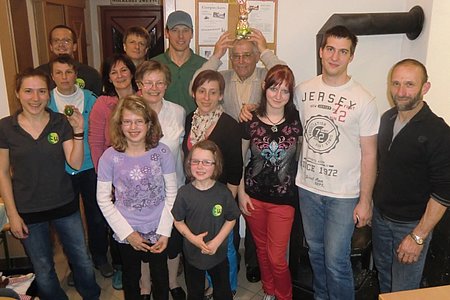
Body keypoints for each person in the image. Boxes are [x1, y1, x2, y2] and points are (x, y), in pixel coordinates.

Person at [192, 29, 285, 281]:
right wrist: (217, 55)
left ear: (256, 57)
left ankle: (254, 263)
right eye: (236, 56)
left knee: (255, 213)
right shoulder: (223, 77)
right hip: (228, 160)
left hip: (259, 161)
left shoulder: (266, 78)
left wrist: (266, 50)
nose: (241, 61)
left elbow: (284, 77)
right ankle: (227, 259)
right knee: (226, 214)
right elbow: (198, 83)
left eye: (247, 55)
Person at [0, 68, 101, 300]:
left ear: (49, 94)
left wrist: (78, 130)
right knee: (43, 267)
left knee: (82, 259)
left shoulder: (59, 122)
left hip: (64, 203)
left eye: (41, 91)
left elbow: (74, 164)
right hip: (28, 209)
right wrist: (12, 215)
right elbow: (3, 173)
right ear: (17, 94)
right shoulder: (5, 128)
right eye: (28, 91)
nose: (35, 98)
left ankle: (92, 296)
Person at [295, 26, 379, 300]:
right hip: (308, 188)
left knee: (336, 260)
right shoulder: (303, 91)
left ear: (351, 57)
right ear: (321, 52)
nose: (335, 56)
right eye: (330, 49)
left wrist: (365, 200)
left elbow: (369, 154)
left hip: (343, 195)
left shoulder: (364, 100)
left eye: (343, 51)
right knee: (316, 254)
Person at [372, 59, 450, 293]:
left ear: (425, 88)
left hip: (411, 225)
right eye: (395, 84)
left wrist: (418, 237)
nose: (401, 92)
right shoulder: (387, 119)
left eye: (409, 85)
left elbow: (444, 192)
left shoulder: (438, 132)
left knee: (405, 291)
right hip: (381, 219)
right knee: (385, 279)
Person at [96, 95, 177, 300]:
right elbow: (103, 199)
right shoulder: (109, 157)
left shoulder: (162, 152)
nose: (133, 127)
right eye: (127, 121)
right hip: (127, 228)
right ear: (119, 124)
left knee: (160, 278)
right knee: (131, 279)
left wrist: (165, 232)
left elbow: (172, 193)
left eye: (139, 121)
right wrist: (127, 233)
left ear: (149, 124)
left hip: (159, 228)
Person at [47, 54, 113, 280]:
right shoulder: (46, 102)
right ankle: (77, 266)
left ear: (76, 74)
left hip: (91, 167)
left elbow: (103, 132)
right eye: (59, 72)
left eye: (68, 72)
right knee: (69, 220)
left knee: (96, 216)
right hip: (62, 171)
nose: (64, 77)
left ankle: (99, 257)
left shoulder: (91, 98)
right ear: (52, 76)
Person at [238, 65, 301, 300]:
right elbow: (240, 158)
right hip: (253, 197)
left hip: (284, 200)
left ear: (290, 94)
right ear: (264, 87)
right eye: (274, 88)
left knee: (276, 257)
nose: (278, 95)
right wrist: (241, 193)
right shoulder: (249, 120)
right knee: (262, 250)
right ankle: (269, 290)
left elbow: (304, 155)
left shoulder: (296, 120)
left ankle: (284, 295)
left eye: (285, 91)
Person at [183, 70, 243, 296]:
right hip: (196, 194)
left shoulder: (229, 124)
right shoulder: (190, 119)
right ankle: (208, 284)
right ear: (194, 93)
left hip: (220, 196)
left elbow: (236, 167)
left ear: (220, 96)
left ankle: (228, 287)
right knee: (201, 243)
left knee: (223, 245)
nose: (206, 97)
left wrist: (229, 202)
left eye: (212, 92)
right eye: (201, 91)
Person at [135, 60, 186, 300]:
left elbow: (184, 150)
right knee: (145, 241)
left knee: (172, 241)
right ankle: (145, 286)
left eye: (160, 83)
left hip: (173, 188)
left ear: (166, 85)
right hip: (141, 193)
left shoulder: (178, 112)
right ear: (139, 85)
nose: (154, 88)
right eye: (149, 83)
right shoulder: (131, 112)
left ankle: (173, 281)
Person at [88, 53, 138, 290]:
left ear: (132, 72)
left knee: (141, 216)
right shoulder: (102, 104)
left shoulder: (143, 98)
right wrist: (104, 179)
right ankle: (120, 266)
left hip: (141, 171)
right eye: (113, 72)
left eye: (124, 70)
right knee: (117, 220)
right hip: (114, 174)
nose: (119, 76)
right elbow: (96, 141)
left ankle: (143, 262)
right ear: (108, 77)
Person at [172, 140, 241, 300]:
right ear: (189, 164)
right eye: (195, 161)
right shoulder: (184, 193)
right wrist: (194, 240)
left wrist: (217, 242)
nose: (200, 166)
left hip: (218, 255)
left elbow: (231, 219)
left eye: (206, 162)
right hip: (193, 255)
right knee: (195, 293)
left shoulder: (223, 193)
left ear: (216, 166)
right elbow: (178, 221)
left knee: (223, 292)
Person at [153, 10, 206, 114]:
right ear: (166, 33)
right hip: (163, 127)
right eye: (175, 30)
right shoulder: (154, 65)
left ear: (192, 34)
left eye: (185, 30)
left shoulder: (203, 66)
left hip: (196, 127)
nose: (180, 36)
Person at [36, 25, 102, 96]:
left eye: (66, 41)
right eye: (56, 41)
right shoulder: (39, 74)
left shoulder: (91, 74)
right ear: (51, 47)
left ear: (74, 46)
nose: (61, 45)